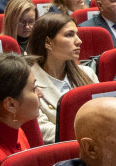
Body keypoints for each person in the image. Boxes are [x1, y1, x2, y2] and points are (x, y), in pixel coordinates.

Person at [28, 10, 91, 141]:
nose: (79, 41)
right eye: (69, 35)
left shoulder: (87, 73)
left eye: (77, 35)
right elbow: (43, 131)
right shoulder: (27, 81)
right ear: (48, 42)